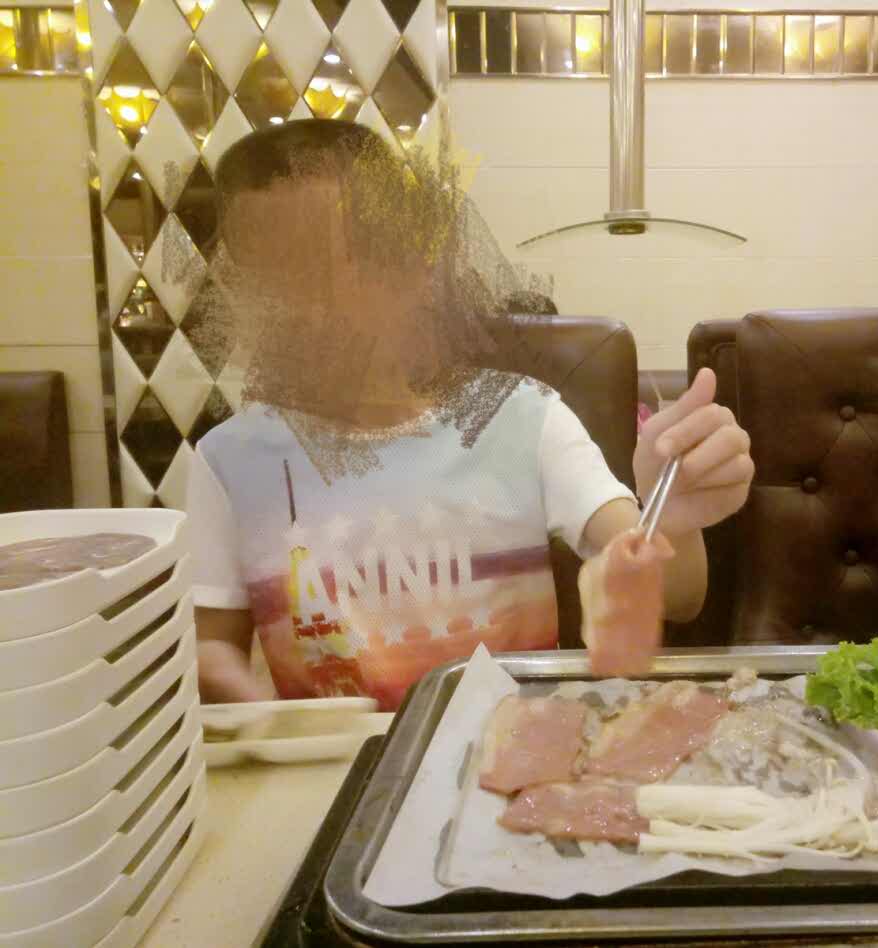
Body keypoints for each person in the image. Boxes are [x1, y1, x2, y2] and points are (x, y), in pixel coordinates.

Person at [186, 120, 753, 710]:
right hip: (338, 758)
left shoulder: (522, 417)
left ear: (409, 267)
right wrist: (249, 706)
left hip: (503, 747)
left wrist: (673, 520)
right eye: (271, 273)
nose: (304, 304)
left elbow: (676, 594)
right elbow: (214, 646)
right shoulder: (229, 460)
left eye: (335, 262)